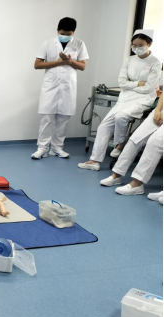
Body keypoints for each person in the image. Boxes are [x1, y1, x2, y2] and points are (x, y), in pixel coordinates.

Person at [79, 30, 161, 171]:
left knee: (121, 116)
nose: (136, 48)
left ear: (149, 44)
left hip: (143, 99)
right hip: (125, 98)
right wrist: (138, 83)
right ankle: (94, 161)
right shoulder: (129, 60)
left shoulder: (155, 63)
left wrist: (131, 85)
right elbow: (122, 82)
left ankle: (120, 144)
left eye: (140, 45)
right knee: (103, 127)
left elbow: (149, 88)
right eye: (134, 45)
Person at [32, 17, 89, 160]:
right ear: (57, 30)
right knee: (47, 118)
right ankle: (42, 148)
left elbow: (82, 66)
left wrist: (69, 61)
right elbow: (37, 65)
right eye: (62, 33)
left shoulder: (79, 44)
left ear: (73, 32)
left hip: (68, 86)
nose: (65, 36)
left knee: (63, 118)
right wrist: (58, 62)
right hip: (50, 86)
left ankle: (57, 148)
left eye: (68, 34)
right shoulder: (48, 43)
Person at [99, 92, 163, 197]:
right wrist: (157, 110)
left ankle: (137, 184)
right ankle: (116, 175)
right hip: (160, 111)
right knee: (135, 139)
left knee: (154, 142)